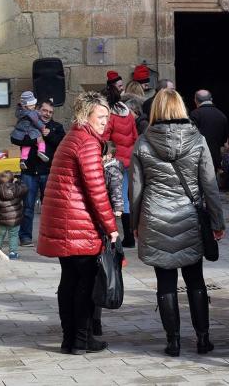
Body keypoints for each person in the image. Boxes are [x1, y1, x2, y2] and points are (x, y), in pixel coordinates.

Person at [130, 89, 226, 358]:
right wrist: (217, 221)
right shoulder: (197, 140)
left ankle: (173, 342)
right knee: (195, 279)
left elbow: (136, 189)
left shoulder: (143, 143)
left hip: (155, 215)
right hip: (189, 216)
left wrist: (135, 223)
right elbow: (210, 185)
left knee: (165, 280)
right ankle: (203, 338)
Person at [37, 92, 119, 355]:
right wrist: (111, 226)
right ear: (86, 116)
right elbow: (96, 190)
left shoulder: (72, 137)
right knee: (84, 283)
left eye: (107, 117)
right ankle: (81, 340)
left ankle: (69, 339)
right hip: (78, 225)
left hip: (65, 222)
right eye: (101, 117)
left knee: (69, 281)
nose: (105, 122)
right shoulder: (87, 143)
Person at [11, 100, 65, 247]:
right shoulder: (27, 123)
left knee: (50, 207)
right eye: (44, 110)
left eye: (50, 112)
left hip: (48, 172)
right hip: (29, 172)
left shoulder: (57, 127)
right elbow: (15, 138)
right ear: (37, 110)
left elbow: (62, 144)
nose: (47, 114)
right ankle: (25, 237)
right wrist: (35, 137)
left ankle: (51, 237)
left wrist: (47, 135)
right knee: (27, 206)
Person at [93, 140, 126, 338]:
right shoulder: (103, 167)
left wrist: (118, 211)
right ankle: (94, 320)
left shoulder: (111, 169)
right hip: (99, 222)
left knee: (100, 270)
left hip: (104, 222)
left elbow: (116, 191)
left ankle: (95, 319)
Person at [101, 85, 139, 248]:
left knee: (112, 198)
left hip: (114, 162)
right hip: (129, 160)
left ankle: (113, 236)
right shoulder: (128, 113)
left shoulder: (109, 116)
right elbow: (135, 136)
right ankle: (129, 237)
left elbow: (104, 139)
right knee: (125, 199)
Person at [0, 170, 27, 260]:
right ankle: (13, 252)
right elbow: (25, 188)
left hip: (0, 220)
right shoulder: (17, 188)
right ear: (12, 180)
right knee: (13, 236)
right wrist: (19, 182)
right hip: (15, 220)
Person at [190, 89, 229, 173]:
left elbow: (190, 137)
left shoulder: (194, 114)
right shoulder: (221, 115)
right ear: (211, 99)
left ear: (195, 100)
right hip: (215, 158)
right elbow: (224, 139)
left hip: (198, 158)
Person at [11, 91, 49, 170]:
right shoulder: (30, 113)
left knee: (26, 145)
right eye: (31, 105)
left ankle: (23, 159)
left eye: (34, 104)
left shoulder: (20, 111)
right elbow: (36, 121)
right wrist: (42, 126)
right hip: (30, 131)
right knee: (41, 140)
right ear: (25, 105)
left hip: (21, 134)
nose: (33, 106)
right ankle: (41, 151)